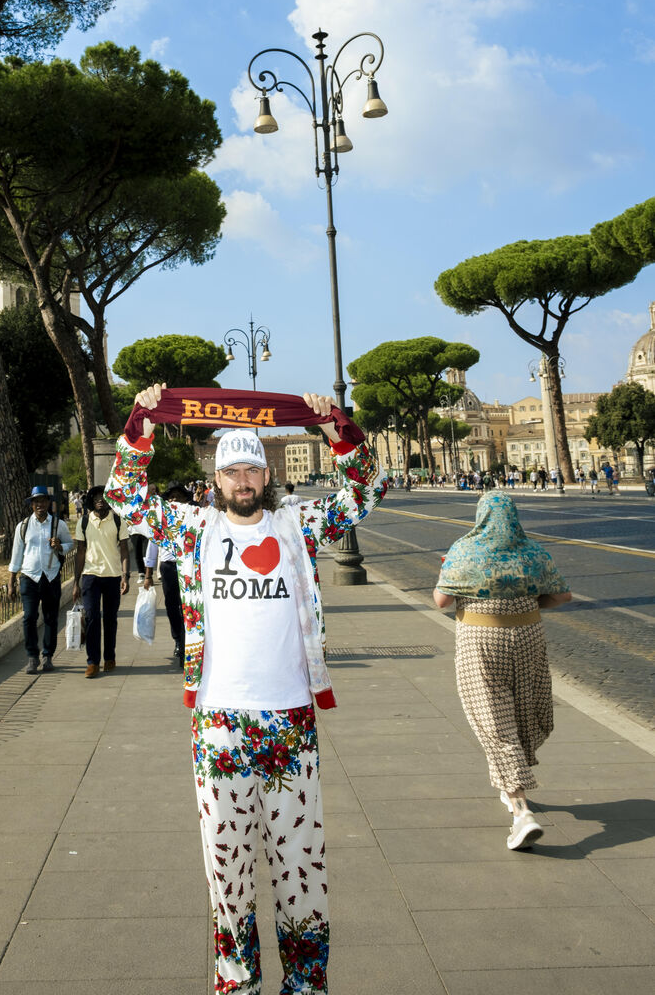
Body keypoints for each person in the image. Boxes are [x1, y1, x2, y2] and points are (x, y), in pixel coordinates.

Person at [105, 384, 387, 995]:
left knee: (301, 869)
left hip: (289, 721)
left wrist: (334, 425)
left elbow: (367, 492)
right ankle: (238, 983)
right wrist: (144, 419)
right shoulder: (193, 529)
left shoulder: (297, 525)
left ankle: (307, 985)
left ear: (267, 474)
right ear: (216, 477)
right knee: (226, 870)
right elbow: (124, 494)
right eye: (230, 469)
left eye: (251, 468)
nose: (241, 480)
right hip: (218, 725)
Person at [432, 493, 571, 851]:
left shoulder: (464, 549)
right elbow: (561, 596)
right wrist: (524, 597)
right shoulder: (532, 551)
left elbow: (442, 600)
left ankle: (521, 810)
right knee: (524, 708)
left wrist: (448, 571)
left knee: (493, 720)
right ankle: (511, 787)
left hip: (482, 639)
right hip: (528, 636)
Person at [8, 485, 73, 674]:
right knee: (29, 617)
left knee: (51, 618)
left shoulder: (58, 525)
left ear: (48, 503)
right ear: (32, 505)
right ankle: (32, 656)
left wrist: (60, 546)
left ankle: (48, 656)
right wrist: (11, 582)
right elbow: (16, 555)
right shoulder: (23, 526)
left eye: (43, 501)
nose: (40, 505)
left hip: (51, 576)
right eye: (36, 502)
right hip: (29, 576)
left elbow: (70, 544)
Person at [73, 484, 130, 678]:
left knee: (110, 619)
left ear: (109, 500)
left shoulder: (117, 520)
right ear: (91, 501)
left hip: (113, 576)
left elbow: (124, 549)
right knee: (92, 618)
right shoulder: (84, 522)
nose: (100, 499)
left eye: (103, 496)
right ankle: (92, 662)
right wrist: (75, 582)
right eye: (96, 497)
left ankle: (110, 657)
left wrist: (125, 575)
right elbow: (80, 552)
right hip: (90, 576)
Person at [143, 481, 192, 668]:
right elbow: (152, 548)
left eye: (178, 497)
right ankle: (178, 640)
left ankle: (189, 641)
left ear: (185, 500)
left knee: (188, 607)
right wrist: (148, 575)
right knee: (172, 607)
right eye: (171, 497)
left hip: (188, 567)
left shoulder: (193, 519)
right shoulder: (160, 520)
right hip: (168, 567)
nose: (174, 500)